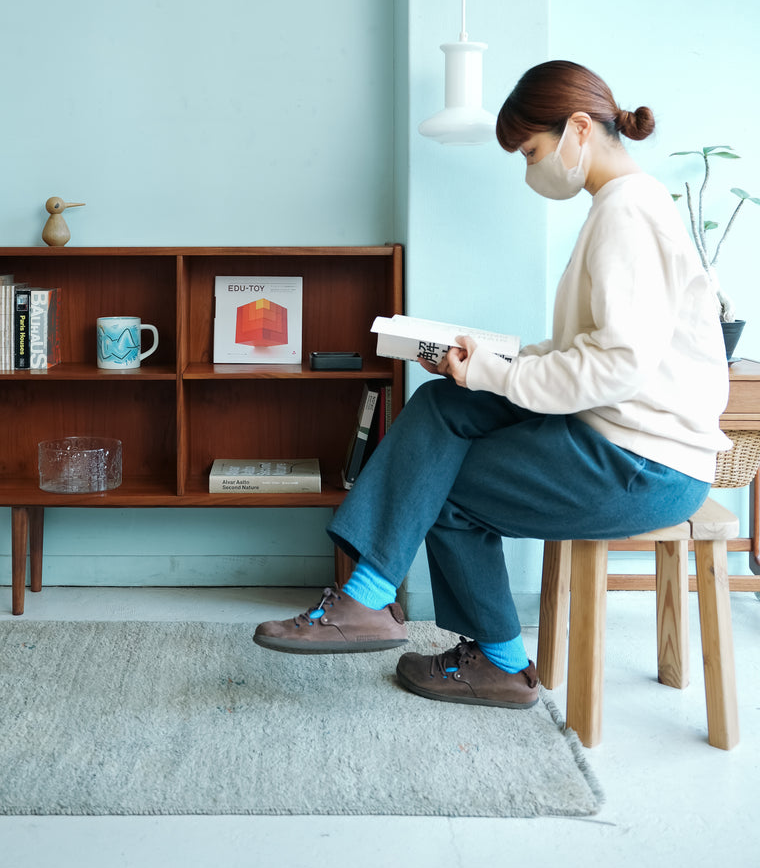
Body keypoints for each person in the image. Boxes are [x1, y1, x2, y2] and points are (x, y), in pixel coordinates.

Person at [253, 60, 731, 710]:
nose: (531, 169)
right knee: (446, 404)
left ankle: (480, 653)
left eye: (532, 151)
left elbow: (617, 366)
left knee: (439, 483)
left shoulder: (626, 215)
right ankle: (373, 600)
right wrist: (481, 359)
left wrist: (491, 369)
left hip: (641, 464)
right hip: (619, 442)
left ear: (579, 129)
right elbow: (583, 353)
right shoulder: (621, 208)